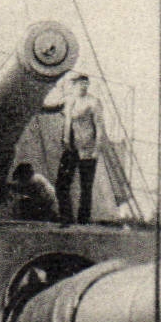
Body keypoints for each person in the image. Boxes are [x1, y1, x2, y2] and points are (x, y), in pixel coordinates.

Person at [46, 72, 106, 224]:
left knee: (86, 187)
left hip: (87, 149)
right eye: (76, 83)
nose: (80, 86)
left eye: (82, 83)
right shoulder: (68, 99)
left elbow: (99, 128)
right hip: (70, 147)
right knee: (62, 183)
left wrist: (96, 150)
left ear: (86, 84)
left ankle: (83, 220)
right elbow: (50, 107)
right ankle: (66, 217)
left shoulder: (93, 102)